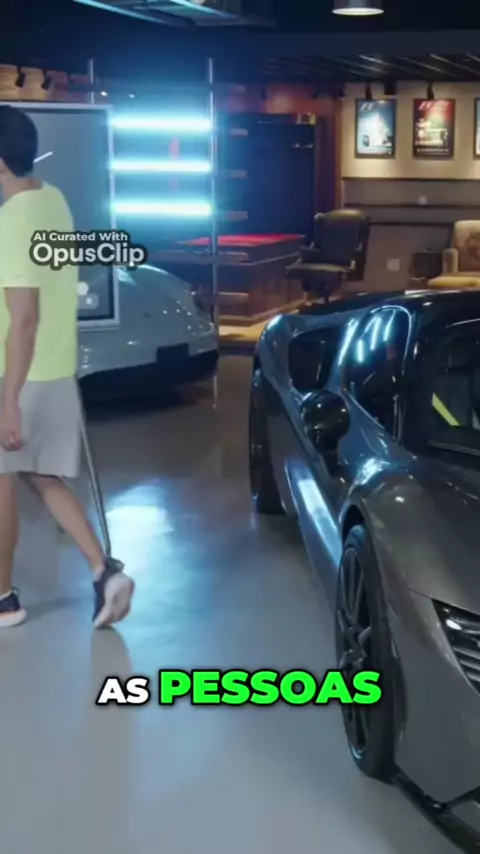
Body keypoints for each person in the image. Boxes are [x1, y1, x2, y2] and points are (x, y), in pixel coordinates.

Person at [0, 105, 134, 629]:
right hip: (55, 367)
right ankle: (105, 572)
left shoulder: (13, 220)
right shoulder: (51, 198)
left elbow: (23, 318)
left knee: (3, 482)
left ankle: (3, 599)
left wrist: (9, 401)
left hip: (18, 373)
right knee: (41, 475)